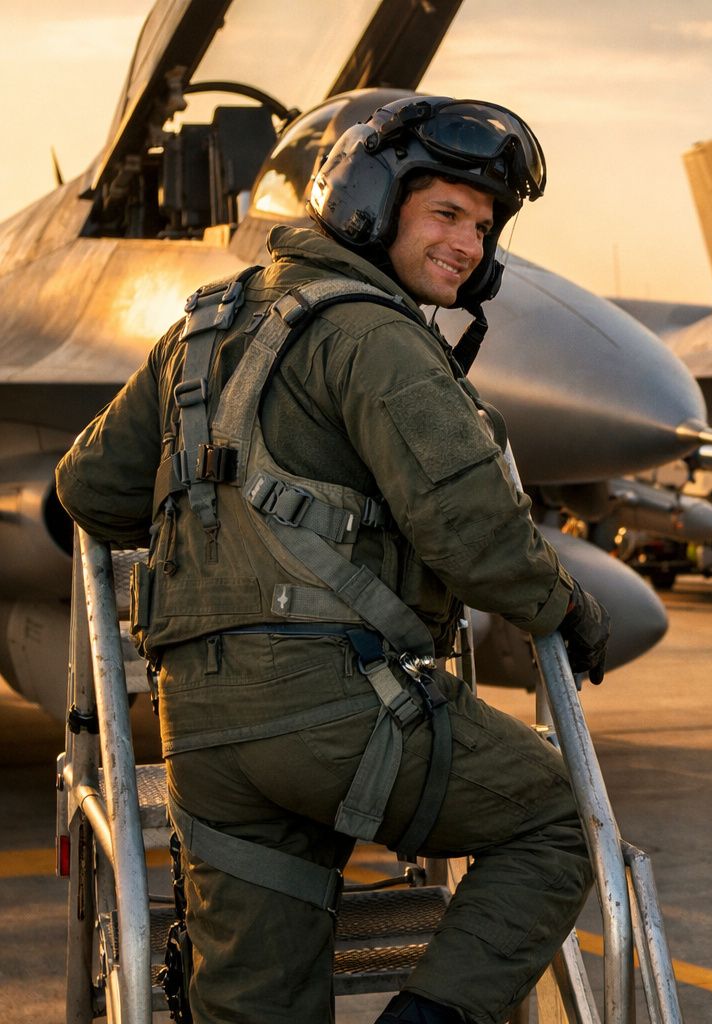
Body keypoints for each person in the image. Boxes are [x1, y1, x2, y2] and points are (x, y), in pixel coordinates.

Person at [55, 96, 611, 1024]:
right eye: (447, 214)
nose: (470, 246)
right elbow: (478, 539)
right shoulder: (378, 338)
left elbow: (92, 490)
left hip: (203, 736)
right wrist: (567, 608)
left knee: (254, 1003)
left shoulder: (199, 326)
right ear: (369, 200)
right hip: (343, 715)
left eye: (483, 227)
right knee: (560, 819)